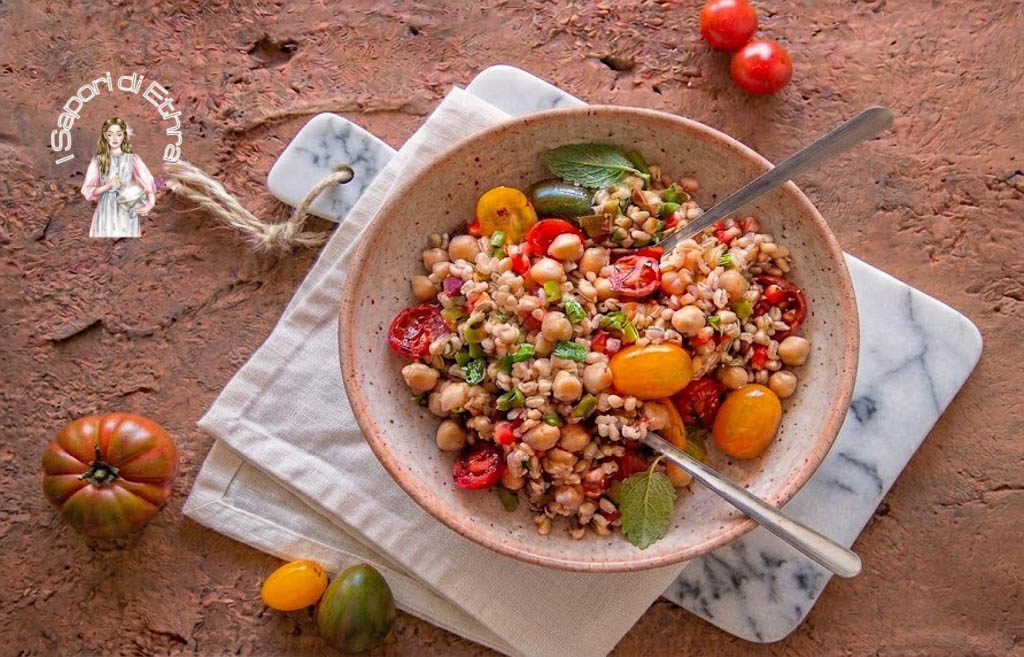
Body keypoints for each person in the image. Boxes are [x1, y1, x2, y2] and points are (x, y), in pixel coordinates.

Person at [81, 117, 156, 238]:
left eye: (118, 134)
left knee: (126, 245)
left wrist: (150, 202)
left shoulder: (133, 159)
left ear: (124, 135)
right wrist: (108, 186)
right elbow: (87, 189)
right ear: (105, 136)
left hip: (127, 205)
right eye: (110, 135)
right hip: (106, 208)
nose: (115, 138)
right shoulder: (98, 160)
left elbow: (147, 180)